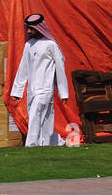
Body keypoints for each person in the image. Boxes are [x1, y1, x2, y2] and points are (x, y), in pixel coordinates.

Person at [10, 13, 70, 147]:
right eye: (28, 29)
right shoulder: (28, 45)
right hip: (32, 90)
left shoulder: (51, 45)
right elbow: (23, 68)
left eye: (31, 29)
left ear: (39, 28)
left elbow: (60, 68)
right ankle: (56, 141)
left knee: (35, 115)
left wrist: (63, 92)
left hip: (45, 88)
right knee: (46, 119)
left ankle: (31, 145)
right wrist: (17, 91)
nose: (29, 31)